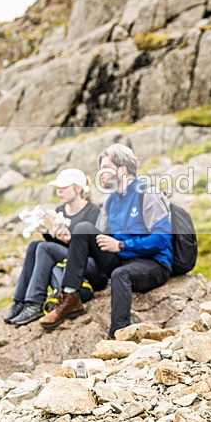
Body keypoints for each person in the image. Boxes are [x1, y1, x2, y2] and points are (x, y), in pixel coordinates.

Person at [39, 144, 173, 338]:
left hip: (153, 263)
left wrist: (122, 245)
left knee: (120, 275)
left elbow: (163, 238)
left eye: (105, 168)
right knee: (83, 228)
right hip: (121, 258)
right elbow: (100, 238)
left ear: (122, 170)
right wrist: (70, 239)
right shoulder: (111, 201)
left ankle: (117, 334)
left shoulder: (147, 194)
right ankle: (70, 296)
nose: (100, 174)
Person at [4, 169, 101, 326]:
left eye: (64, 187)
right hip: (70, 261)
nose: (59, 191)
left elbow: (91, 248)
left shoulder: (93, 211)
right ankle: (19, 300)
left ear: (77, 188)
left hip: (89, 264)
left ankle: (35, 302)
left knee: (45, 248)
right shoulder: (60, 211)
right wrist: (46, 233)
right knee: (35, 245)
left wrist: (69, 238)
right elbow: (58, 246)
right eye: (58, 188)